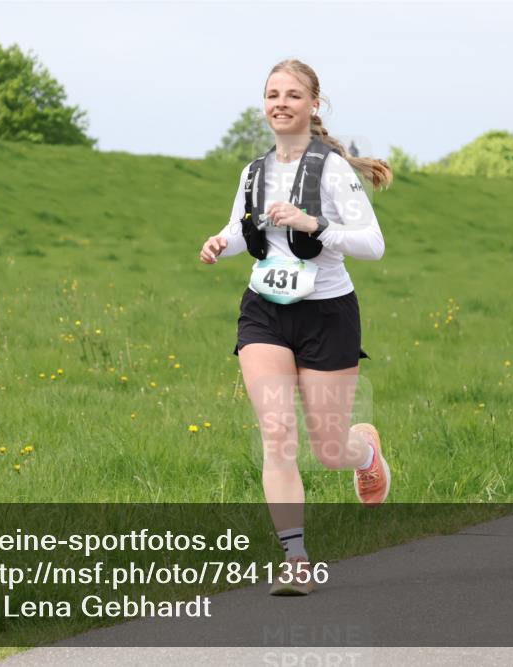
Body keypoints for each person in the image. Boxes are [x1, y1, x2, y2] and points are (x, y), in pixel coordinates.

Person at [199, 59, 393, 595]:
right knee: (278, 435)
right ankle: (296, 559)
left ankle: (365, 452)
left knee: (329, 450)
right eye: (272, 94)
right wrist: (220, 242)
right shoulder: (254, 171)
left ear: (313, 104)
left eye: (291, 95)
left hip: (326, 314)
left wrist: (315, 224)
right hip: (264, 309)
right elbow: (241, 227)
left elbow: (373, 244)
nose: (280, 103)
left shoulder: (332, 171)